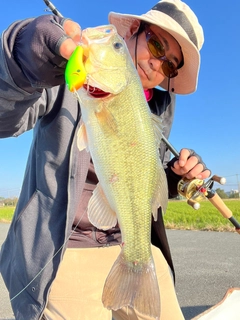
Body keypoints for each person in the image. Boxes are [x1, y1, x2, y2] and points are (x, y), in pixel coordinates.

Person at [0, 0, 210, 319]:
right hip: (64, 247)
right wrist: (21, 63)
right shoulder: (69, 76)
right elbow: (5, 120)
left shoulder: (158, 109)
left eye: (170, 66)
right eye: (156, 45)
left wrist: (175, 178)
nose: (157, 65)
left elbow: (138, 181)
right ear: (134, 31)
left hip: (132, 244)